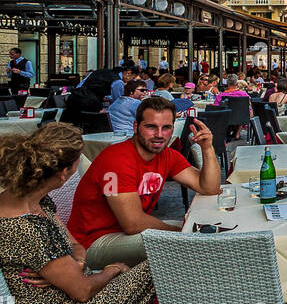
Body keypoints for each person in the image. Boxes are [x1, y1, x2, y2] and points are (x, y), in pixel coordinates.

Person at [0, 123, 156, 304]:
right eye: (77, 163)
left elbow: (75, 246)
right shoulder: (27, 226)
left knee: (163, 268)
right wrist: (113, 270)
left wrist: (78, 264)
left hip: (63, 300)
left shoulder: (30, 198)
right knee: (165, 265)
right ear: (64, 173)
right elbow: (82, 291)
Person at [67, 97, 220, 270]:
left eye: (166, 127)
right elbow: (133, 223)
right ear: (136, 127)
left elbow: (209, 188)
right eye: (151, 127)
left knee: (207, 231)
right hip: (90, 243)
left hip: (125, 233)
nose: (159, 135)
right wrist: (180, 233)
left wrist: (207, 148)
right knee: (180, 244)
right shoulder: (116, 160)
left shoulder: (167, 155)